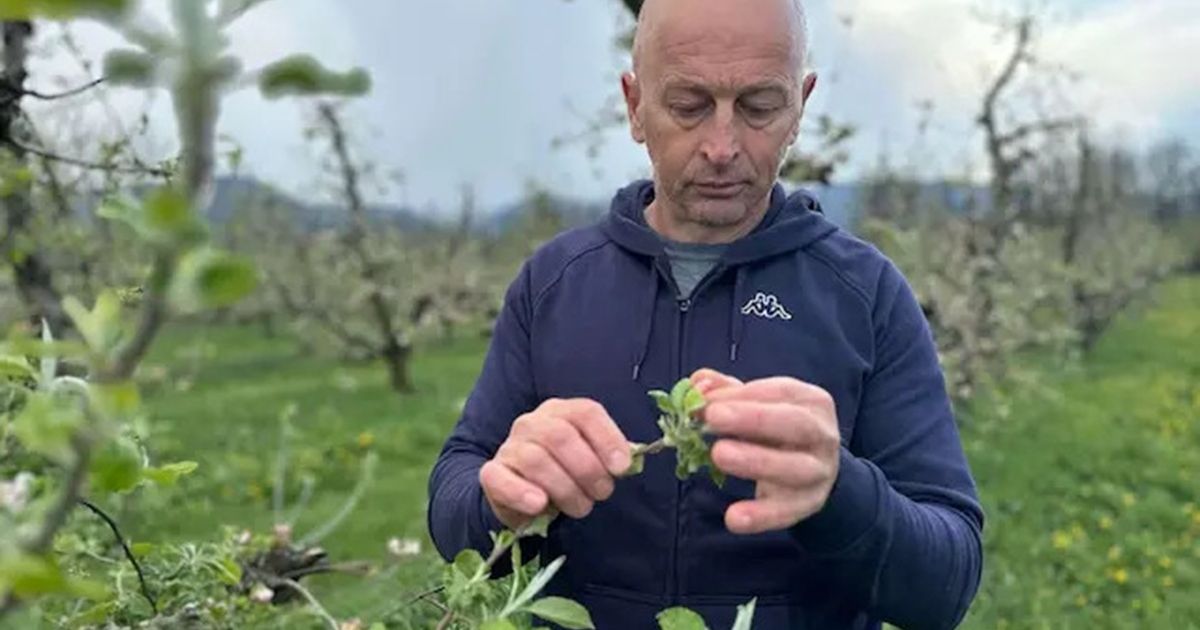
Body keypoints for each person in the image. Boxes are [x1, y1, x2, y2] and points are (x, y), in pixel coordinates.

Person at [426, 0, 984, 627]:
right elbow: (455, 500)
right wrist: (498, 497)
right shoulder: (555, 283)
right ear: (635, 107)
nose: (722, 146)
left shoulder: (864, 293)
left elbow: (947, 585)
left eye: (759, 107)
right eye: (688, 106)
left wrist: (840, 494)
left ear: (799, 106)